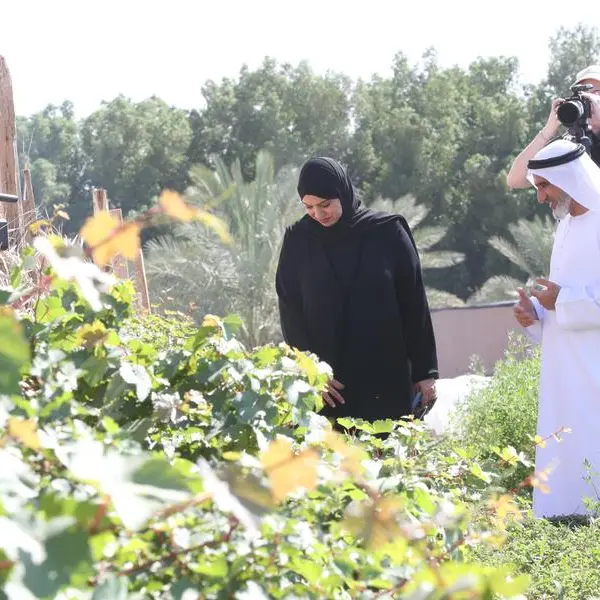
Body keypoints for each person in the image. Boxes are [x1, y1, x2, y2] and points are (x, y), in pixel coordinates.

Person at [275, 157, 439, 425]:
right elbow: (291, 312)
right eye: (309, 207)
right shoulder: (298, 240)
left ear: (342, 191)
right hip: (329, 388)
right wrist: (310, 371)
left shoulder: (387, 233)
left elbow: (414, 305)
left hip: (386, 380)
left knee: (388, 461)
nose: (318, 214)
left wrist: (425, 373)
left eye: (325, 204)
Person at [513, 138, 600, 519]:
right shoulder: (565, 226)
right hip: (564, 369)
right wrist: (534, 312)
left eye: (545, 186)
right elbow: (562, 294)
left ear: (570, 178)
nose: (541, 197)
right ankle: (567, 514)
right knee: (567, 434)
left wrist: (561, 301)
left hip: (594, 366)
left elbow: (570, 296)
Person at [507, 65, 600, 189]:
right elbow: (516, 180)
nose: (589, 100)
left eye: (596, 93)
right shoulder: (568, 145)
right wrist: (547, 131)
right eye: (584, 95)